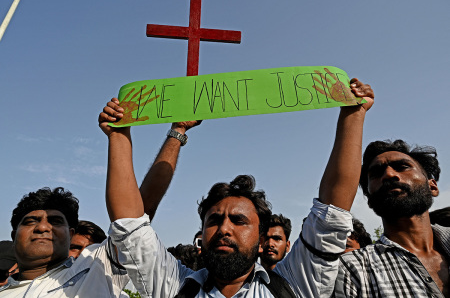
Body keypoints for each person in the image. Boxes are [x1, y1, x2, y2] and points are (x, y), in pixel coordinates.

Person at [99, 77, 374, 297]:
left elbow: (332, 212)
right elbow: (129, 224)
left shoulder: (294, 286)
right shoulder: (173, 286)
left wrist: (353, 115)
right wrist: (119, 135)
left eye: (239, 221)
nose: (224, 229)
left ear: (262, 237)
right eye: (214, 220)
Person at [335, 140, 450, 297]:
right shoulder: (353, 269)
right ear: (369, 199)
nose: (389, 175)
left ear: (433, 186)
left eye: (402, 167)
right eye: (376, 173)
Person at [0, 187, 129, 297]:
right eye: (30, 222)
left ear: (70, 234)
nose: (42, 227)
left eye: (55, 221)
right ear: (14, 236)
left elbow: (131, 222)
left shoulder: (96, 270)